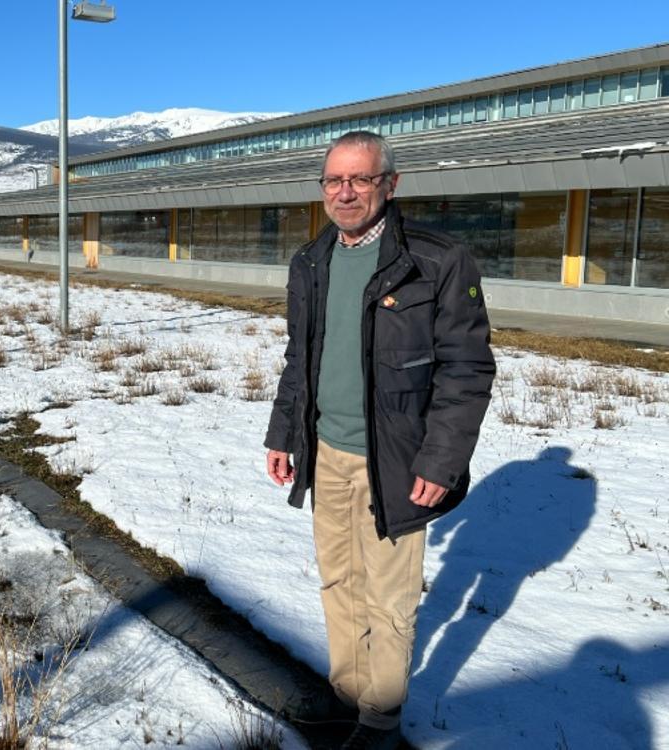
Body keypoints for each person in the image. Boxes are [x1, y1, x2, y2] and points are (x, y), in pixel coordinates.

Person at [263, 131, 495, 750]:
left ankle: (381, 718)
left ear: (389, 185)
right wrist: (283, 434)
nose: (345, 192)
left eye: (360, 180)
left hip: (397, 460)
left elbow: (467, 371)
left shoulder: (437, 261)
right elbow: (299, 360)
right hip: (327, 452)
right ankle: (347, 697)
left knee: (389, 597)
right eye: (334, 180)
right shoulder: (311, 262)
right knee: (338, 582)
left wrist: (441, 461)